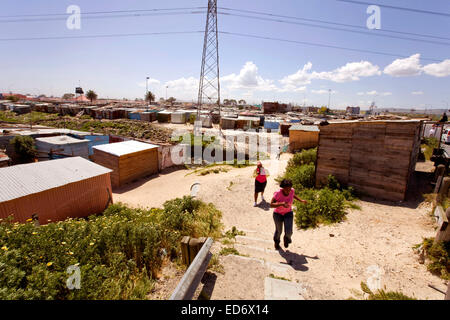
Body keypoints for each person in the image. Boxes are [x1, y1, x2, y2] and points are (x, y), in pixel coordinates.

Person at [270, 179, 307, 250]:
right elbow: (271, 204)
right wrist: (281, 203)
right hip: (278, 214)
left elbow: (293, 195)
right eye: (286, 189)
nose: (288, 191)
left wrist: (301, 200)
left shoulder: (292, 191)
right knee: (279, 231)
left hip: (288, 213)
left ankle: (286, 239)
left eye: (289, 189)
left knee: (289, 231)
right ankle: (277, 242)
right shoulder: (278, 193)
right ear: (283, 188)